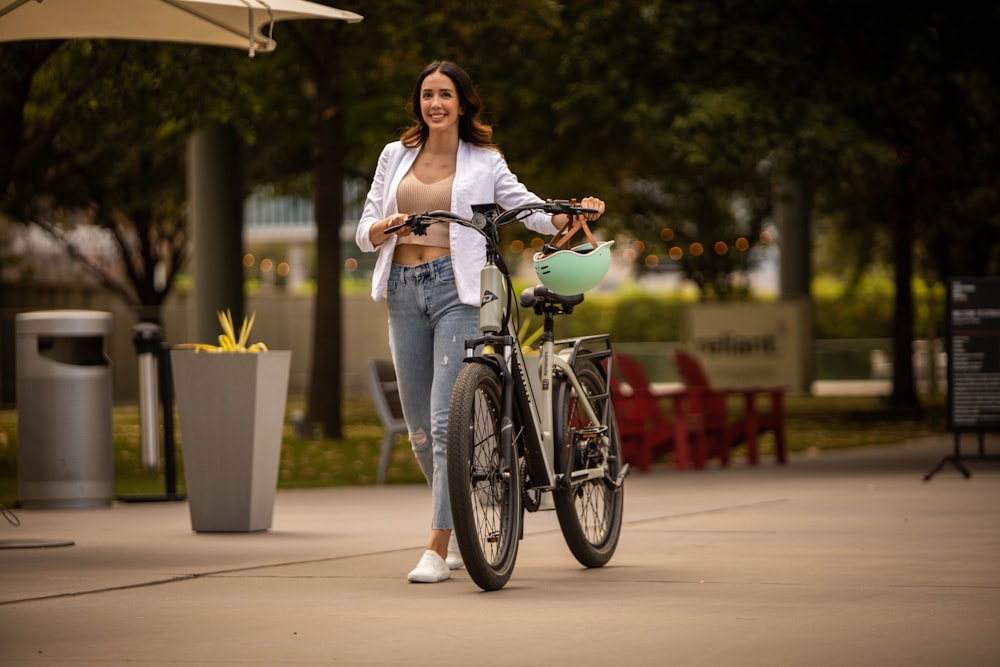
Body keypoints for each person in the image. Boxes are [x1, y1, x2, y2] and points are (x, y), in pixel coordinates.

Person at [356, 60, 605, 583]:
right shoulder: (393, 156)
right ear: (418, 103)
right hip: (402, 290)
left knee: (449, 420)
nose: (435, 104)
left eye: (445, 94)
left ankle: (438, 543)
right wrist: (384, 227)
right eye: (427, 95)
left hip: (457, 291)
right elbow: (363, 229)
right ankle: (462, 517)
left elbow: (528, 209)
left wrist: (568, 214)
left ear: (464, 103)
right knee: (421, 432)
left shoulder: (484, 160)